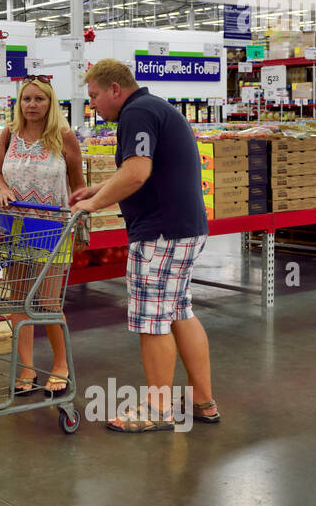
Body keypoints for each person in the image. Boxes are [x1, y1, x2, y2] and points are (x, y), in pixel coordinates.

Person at [69, 59, 219, 432]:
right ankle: (203, 400)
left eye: (95, 97)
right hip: (185, 227)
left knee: (153, 321)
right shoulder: (156, 108)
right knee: (179, 312)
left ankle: (158, 409)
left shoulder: (136, 113)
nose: (94, 106)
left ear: (115, 89)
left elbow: (137, 172)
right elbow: (142, 170)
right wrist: (98, 190)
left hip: (160, 233)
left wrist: (92, 203)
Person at [0, 76, 83, 396]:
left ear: (50, 102)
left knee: (47, 301)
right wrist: (1, 187)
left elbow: (78, 183)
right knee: (17, 299)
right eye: (26, 99)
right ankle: (26, 367)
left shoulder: (64, 137)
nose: (31, 105)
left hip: (52, 226)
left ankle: (61, 364)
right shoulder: (10, 133)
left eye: (39, 99)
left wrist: (80, 217)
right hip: (14, 225)